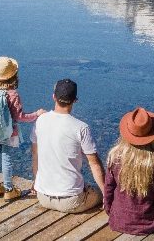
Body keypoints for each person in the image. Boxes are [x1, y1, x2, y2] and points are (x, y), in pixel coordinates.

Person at [31, 78, 105, 213]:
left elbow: (35, 154)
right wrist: (107, 194)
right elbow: (94, 164)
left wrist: (36, 182)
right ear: (75, 100)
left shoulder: (40, 121)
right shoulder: (81, 128)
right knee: (98, 193)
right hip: (71, 201)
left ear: (54, 97)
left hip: (42, 197)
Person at [103, 107, 154, 235]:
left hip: (118, 221)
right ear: (152, 136)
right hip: (148, 225)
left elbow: (108, 188)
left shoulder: (115, 157)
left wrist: (110, 212)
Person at [0, 56, 46, 202]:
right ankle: (8, 190)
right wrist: (36, 114)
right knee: (6, 158)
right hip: (7, 132)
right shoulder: (13, 95)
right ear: (14, 76)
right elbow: (20, 117)